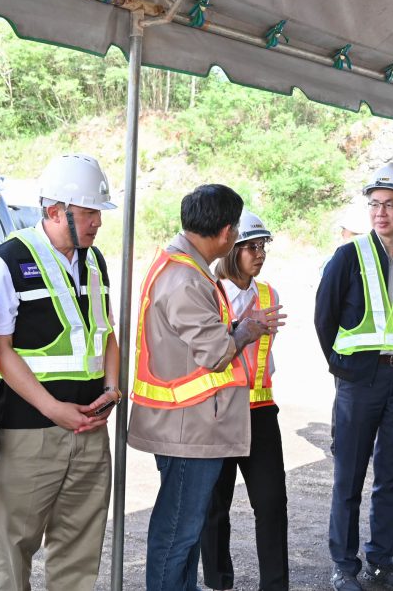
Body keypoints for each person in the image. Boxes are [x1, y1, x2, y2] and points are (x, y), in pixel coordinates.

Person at [129, 184, 284, 591]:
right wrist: (246, 329)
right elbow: (215, 352)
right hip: (188, 426)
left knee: (186, 529)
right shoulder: (185, 277)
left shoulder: (182, 266)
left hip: (190, 423)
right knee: (178, 532)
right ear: (226, 232)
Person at [0, 153, 122, 590]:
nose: (97, 222)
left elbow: (107, 334)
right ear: (53, 211)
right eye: (87, 213)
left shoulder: (95, 260)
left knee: (80, 551)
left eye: (98, 212)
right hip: (29, 433)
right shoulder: (7, 260)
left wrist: (113, 389)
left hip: (91, 431)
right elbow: (0, 352)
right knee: (14, 549)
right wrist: (53, 409)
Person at [314, 163, 393, 591]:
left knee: (390, 477)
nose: (381, 213)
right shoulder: (349, 255)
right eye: (375, 204)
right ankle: (344, 566)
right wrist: (342, 368)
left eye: (390, 205)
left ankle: (381, 561)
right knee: (349, 476)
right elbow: (324, 316)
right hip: (358, 382)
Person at [200, 210, 289, 591]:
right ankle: (219, 582)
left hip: (261, 411)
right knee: (214, 508)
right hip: (217, 412)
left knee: (272, 505)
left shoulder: (269, 294)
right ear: (230, 250)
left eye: (262, 246)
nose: (259, 254)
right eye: (250, 247)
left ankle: (275, 585)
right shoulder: (208, 292)